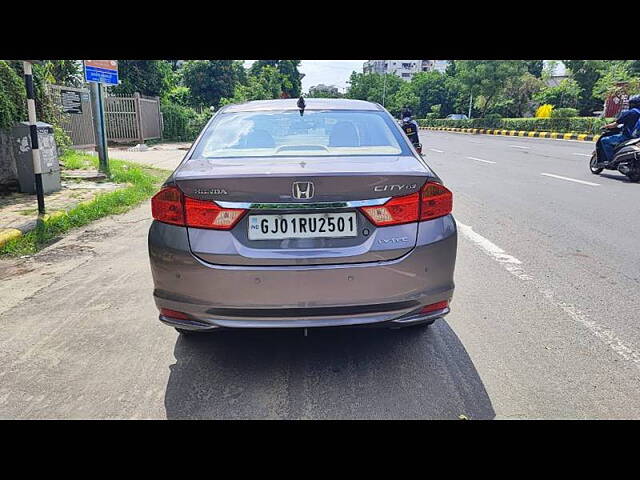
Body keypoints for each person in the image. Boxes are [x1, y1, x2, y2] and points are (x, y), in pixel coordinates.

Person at [599, 94, 640, 164]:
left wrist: (606, 126)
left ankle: (611, 160)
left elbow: (615, 124)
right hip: (637, 137)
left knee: (604, 140)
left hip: (628, 137)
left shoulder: (630, 112)